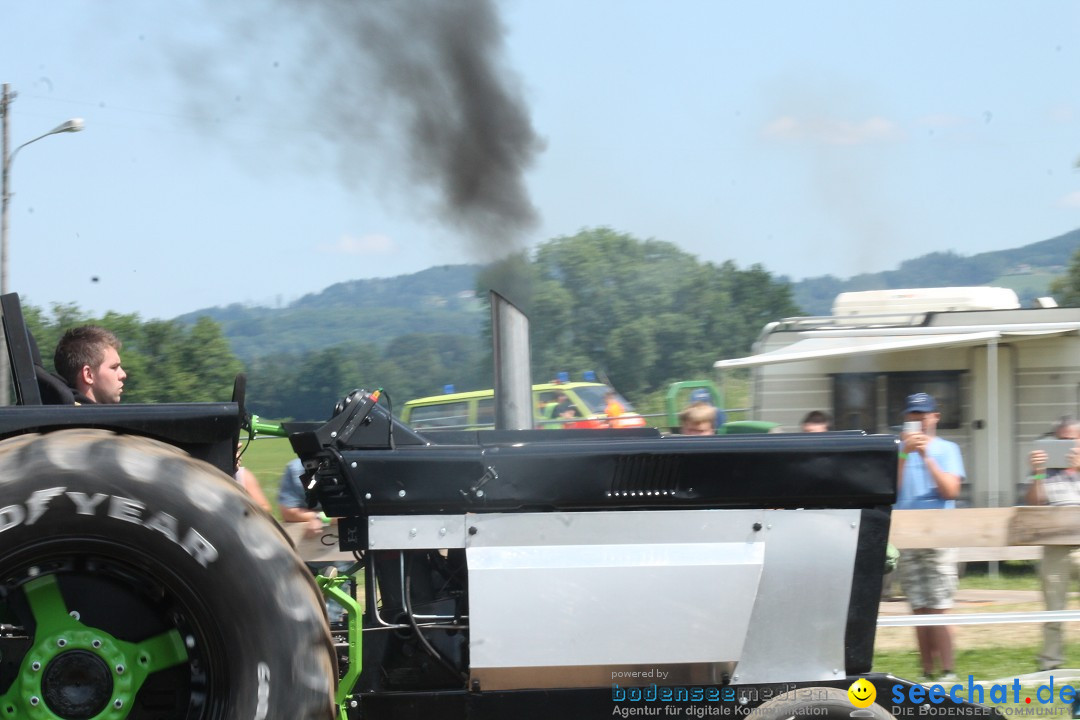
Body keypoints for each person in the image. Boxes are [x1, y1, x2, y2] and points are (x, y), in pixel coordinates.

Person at [895, 392, 964, 683]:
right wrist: (903, 455)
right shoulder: (898, 449)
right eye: (913, 415)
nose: (919, 421)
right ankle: (926, 672)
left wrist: (926, 457)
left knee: (940, 603)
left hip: (939, 534)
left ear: (935, 417)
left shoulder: (948, 449)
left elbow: (951, 491)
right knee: (918, 607)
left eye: (924, 415)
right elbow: (891, 492)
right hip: (907, 535)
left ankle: (948, 671)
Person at [1021, 416, 1080, 672]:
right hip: (1054, 546)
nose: (1067, 446)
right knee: (1053, 609)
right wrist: (1037, 474)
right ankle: (1051, 663)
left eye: (1072, 440)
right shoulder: (1047, 472)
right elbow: (1034, 505)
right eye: (1061, 440)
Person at [53, 325, 127, 404]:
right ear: (88, 375)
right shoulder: (81, 416)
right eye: (114, 367)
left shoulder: (61, 413)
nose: (123, 374)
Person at [278, 457, 328, 538]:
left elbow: (349, 513)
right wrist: (318, 517)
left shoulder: (347, 464)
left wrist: (320, 518)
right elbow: (289, 513)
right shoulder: (295, 468)